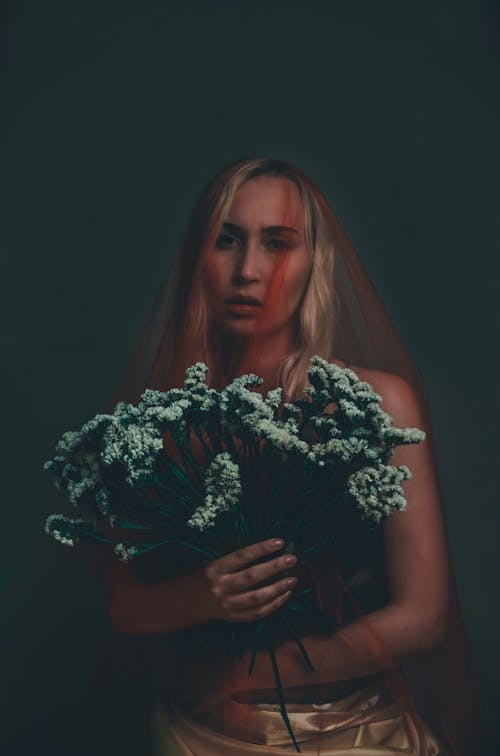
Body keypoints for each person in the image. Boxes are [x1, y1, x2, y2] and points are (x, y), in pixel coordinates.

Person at [105, 157, 481, 754]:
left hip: (354, 736)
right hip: (195, 737)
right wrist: (202, 596)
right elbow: (122, 602)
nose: (248, 270)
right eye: (227, 240)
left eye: (276, 243)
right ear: (198, 258)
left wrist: (253, 674)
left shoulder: (377, 403)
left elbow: (424, 614)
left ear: (314, 264)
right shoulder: (162, 421)